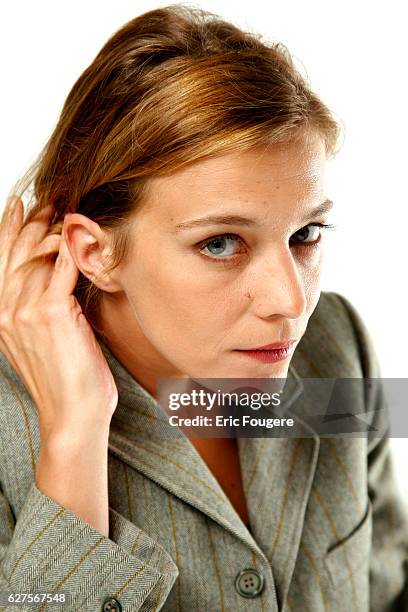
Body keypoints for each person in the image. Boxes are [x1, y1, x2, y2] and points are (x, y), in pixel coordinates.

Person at [0, 4, 407, 611]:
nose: (291, 302)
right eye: (220, 243)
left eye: (307, 235)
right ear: (95, 252)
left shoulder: (338, 343)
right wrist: (73, 440)